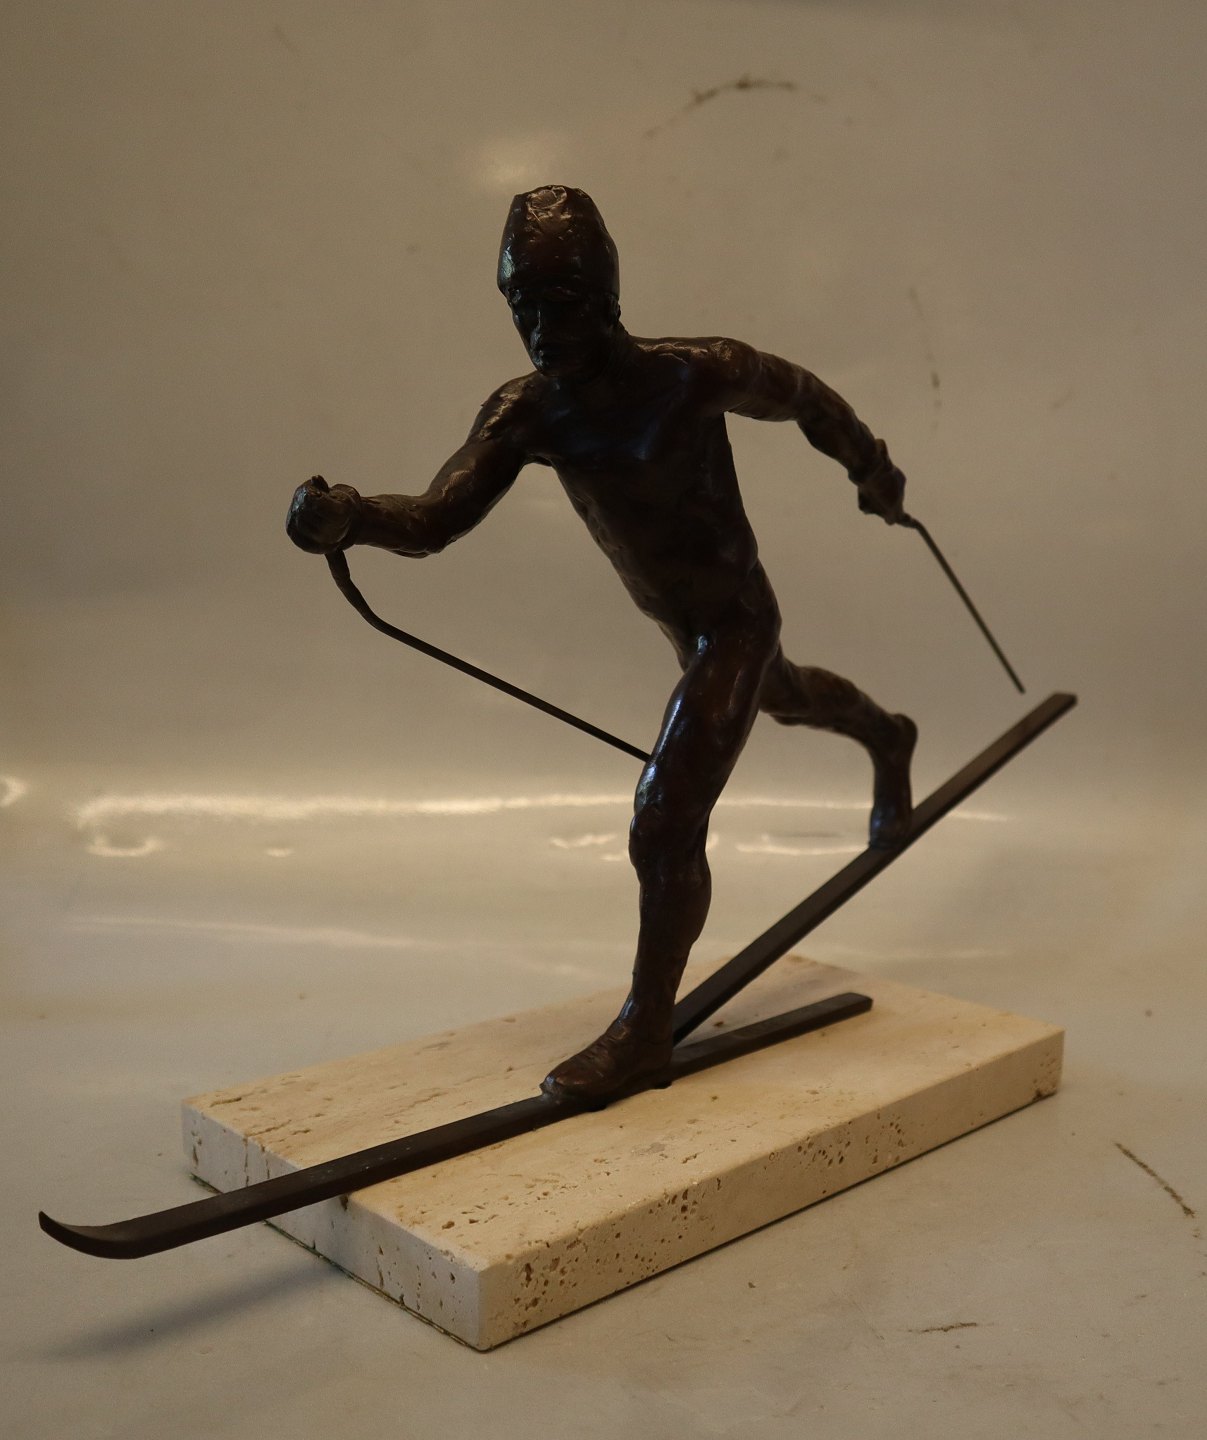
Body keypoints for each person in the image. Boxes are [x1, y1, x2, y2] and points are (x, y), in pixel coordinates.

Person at [287, 186, 916, 1104]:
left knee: (663, 818)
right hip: (684, 626)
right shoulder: (528, 414)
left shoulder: (695, 372)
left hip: (735, 618)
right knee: (784, 698)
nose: (541, 331)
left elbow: (803, 397)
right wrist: (349, 517)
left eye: (564, 305)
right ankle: (888, 736)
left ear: (607, 299)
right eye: (522, 306)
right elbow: (433, 519)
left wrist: (872, 468)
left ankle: (643, 1033)